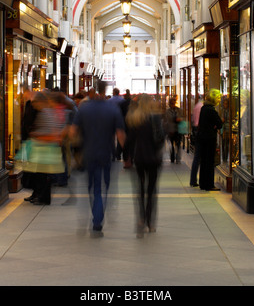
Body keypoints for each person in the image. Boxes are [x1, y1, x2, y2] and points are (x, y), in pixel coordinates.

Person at [70, 81, 126, 236]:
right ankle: (97, 220)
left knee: (92, 187)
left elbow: (73, 132)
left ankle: (93, 214)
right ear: (105, 90)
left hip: (88, 154)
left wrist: (75, 150)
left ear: (93, 91)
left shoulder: (84, 109)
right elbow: (121, 135)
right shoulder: (112, 109)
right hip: (106, 154)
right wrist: (128, 155)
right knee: (103, 188)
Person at [126, 94, 164, 237]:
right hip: (153, 159)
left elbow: (129, 140)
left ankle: (141, 219)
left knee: (140, 190)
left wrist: (128, 155)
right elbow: (160, 138)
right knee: (151, 191)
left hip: (139, 158)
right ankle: (150, 222)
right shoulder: (155, 118)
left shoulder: (135, 119)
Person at [197, 89, 223, 192]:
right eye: (218, 98)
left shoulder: (204, 108)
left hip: (202, 138)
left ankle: (203, 183)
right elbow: (220, 124)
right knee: (209, 161)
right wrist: (215, 126)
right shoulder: (212, 110)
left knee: (204, 161)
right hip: (209, 138)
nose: (219, 100)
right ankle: (209, 184)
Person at [189, 98, 203, 187]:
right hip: (199, 133)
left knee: (197, 158)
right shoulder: (201, 107)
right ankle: (194, 180)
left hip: (196, 133)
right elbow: (198, 122)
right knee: (198, 158)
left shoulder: (197, 106)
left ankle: (193, 180)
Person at [164, 96, 182, 164]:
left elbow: (182, 117)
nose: (173, 105)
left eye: (174, 103)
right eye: (171, 103)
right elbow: (169, 119)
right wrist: (175, 119)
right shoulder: (167, 111)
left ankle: (178, 158)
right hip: (171, 130)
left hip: (178, 129)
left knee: (178, 144)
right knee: (172, 144)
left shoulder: (179, 110)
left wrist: (180, 119)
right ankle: (172, 156)